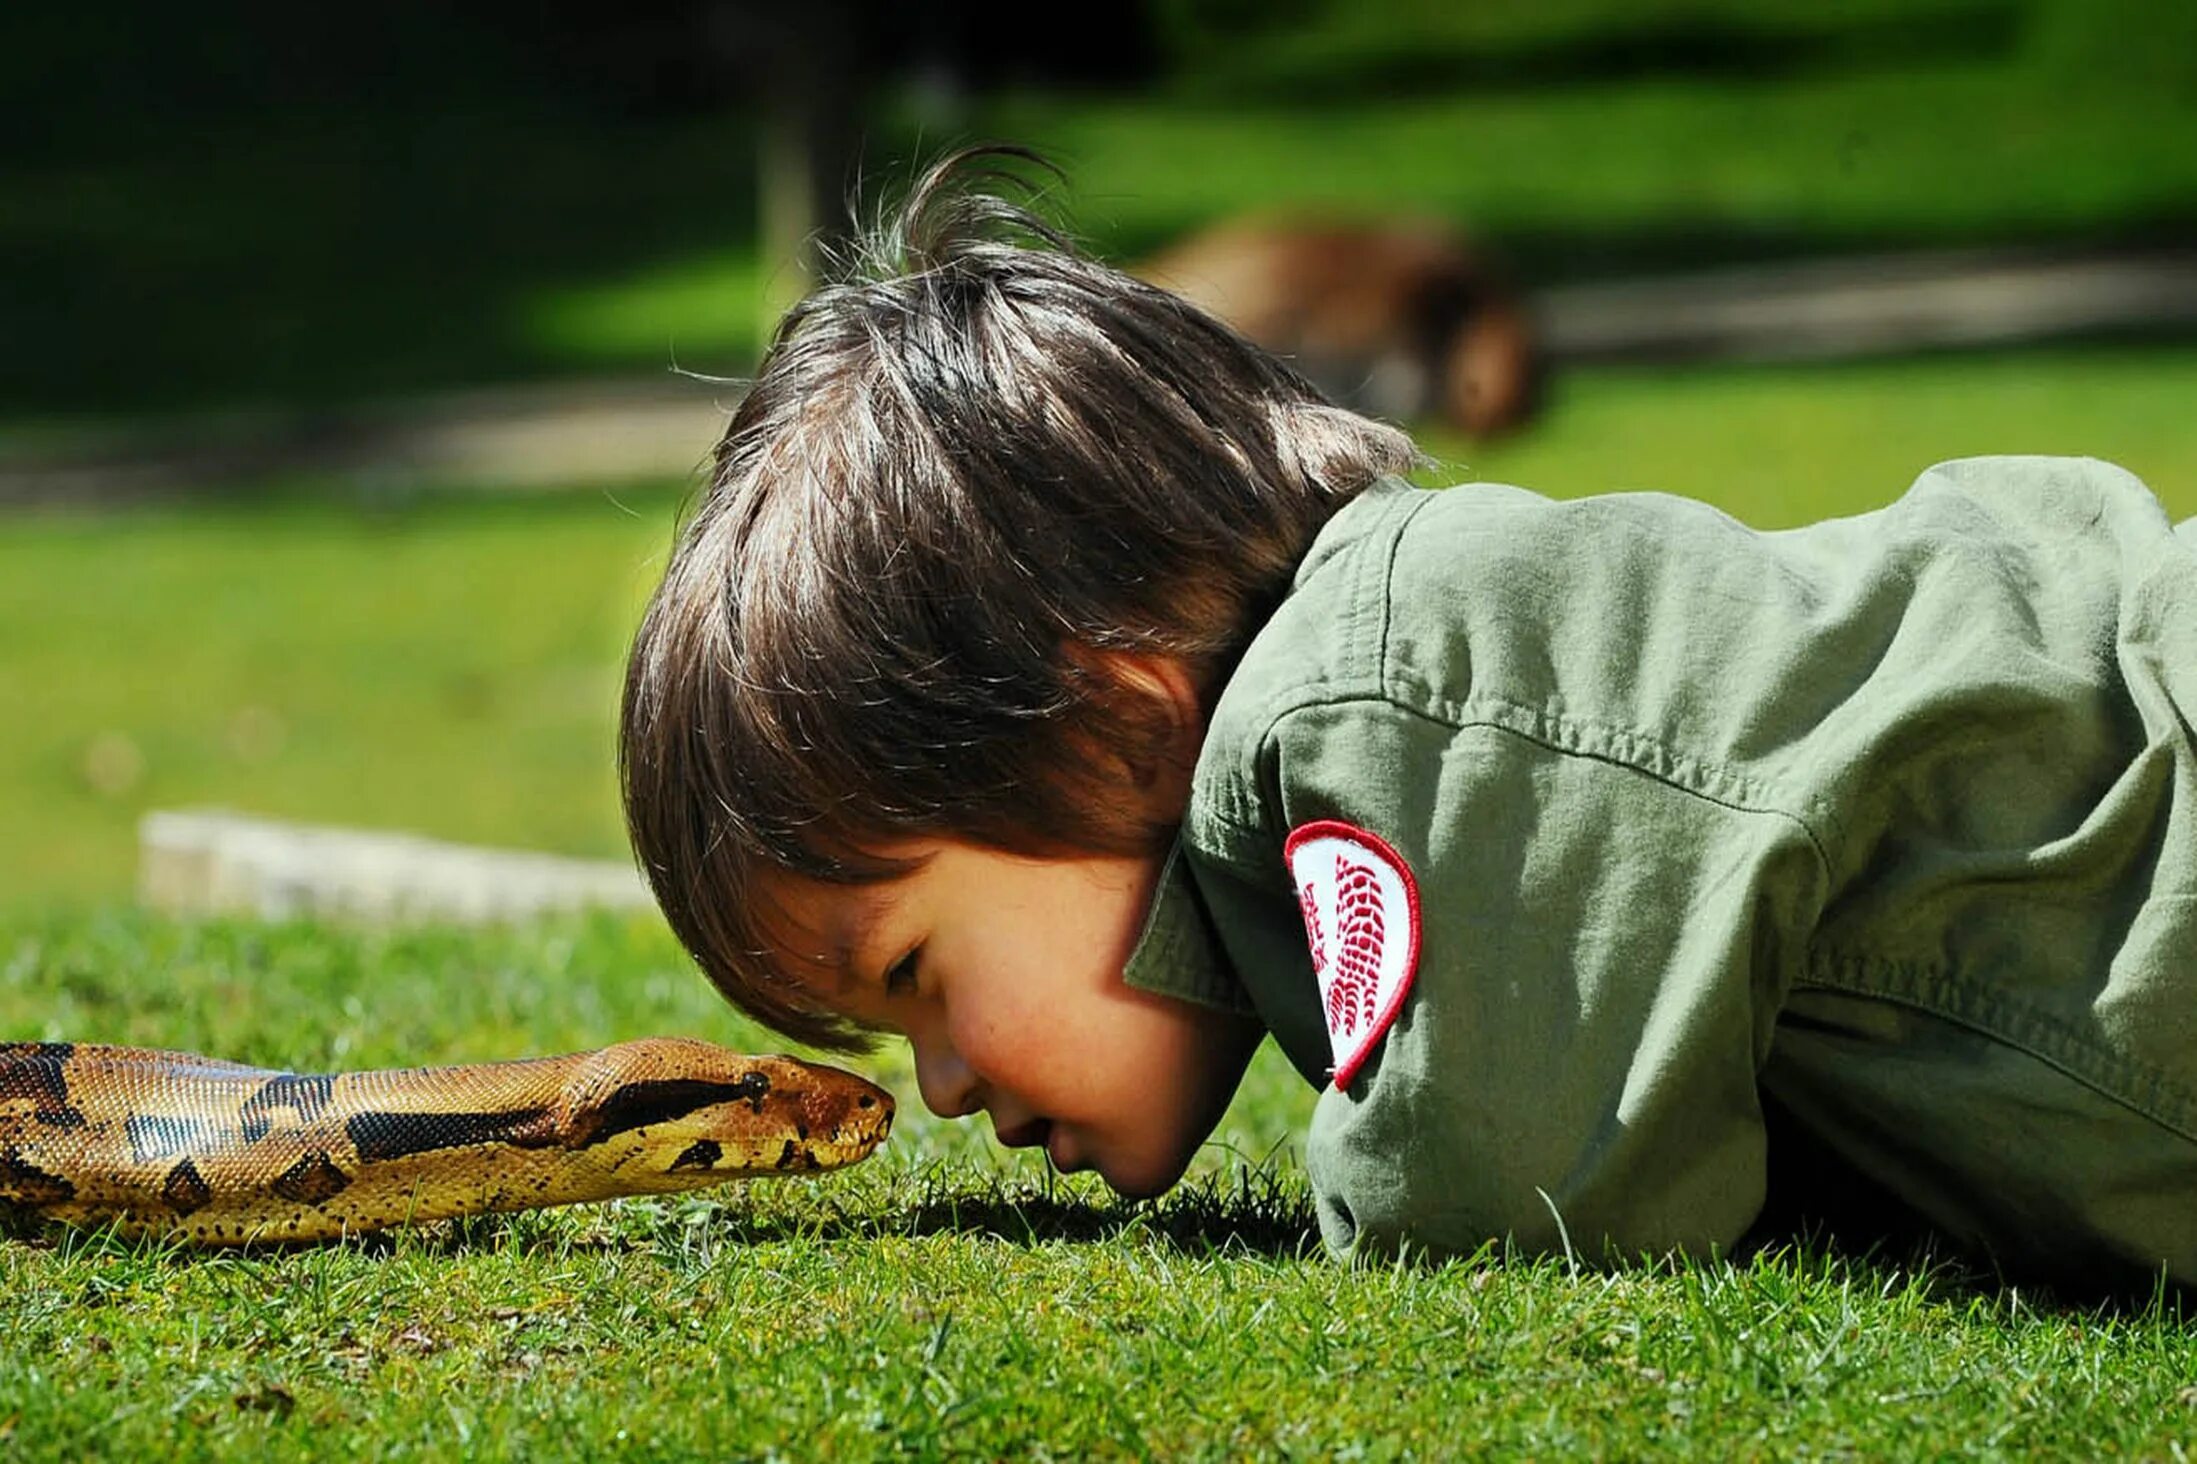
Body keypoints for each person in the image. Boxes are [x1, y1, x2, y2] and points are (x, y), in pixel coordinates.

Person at [619, 147, 2197, 1291]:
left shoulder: (1361, 705)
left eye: (918, 977)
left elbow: (1502, 1190)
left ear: (1111, 714)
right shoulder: (1351, 740)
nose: (946, 1085)